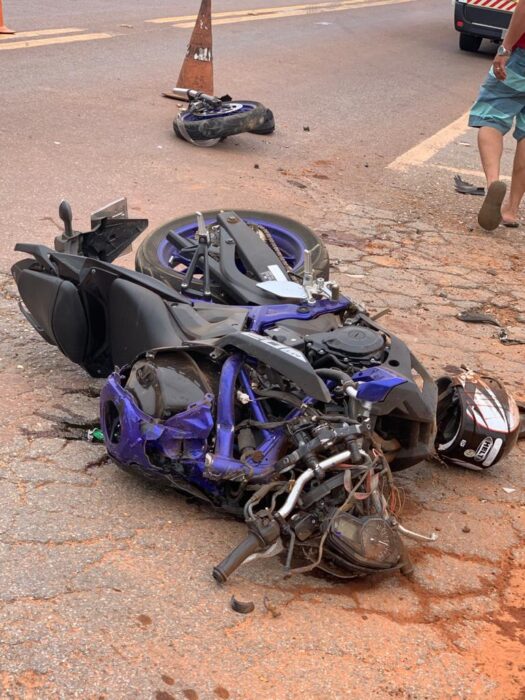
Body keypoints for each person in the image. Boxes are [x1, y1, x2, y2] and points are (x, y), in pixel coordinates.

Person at [469, 1, 525, 230]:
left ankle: (493, 182)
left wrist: (505, 49)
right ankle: (511, 210)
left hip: (521, 58)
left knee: (491, 115)